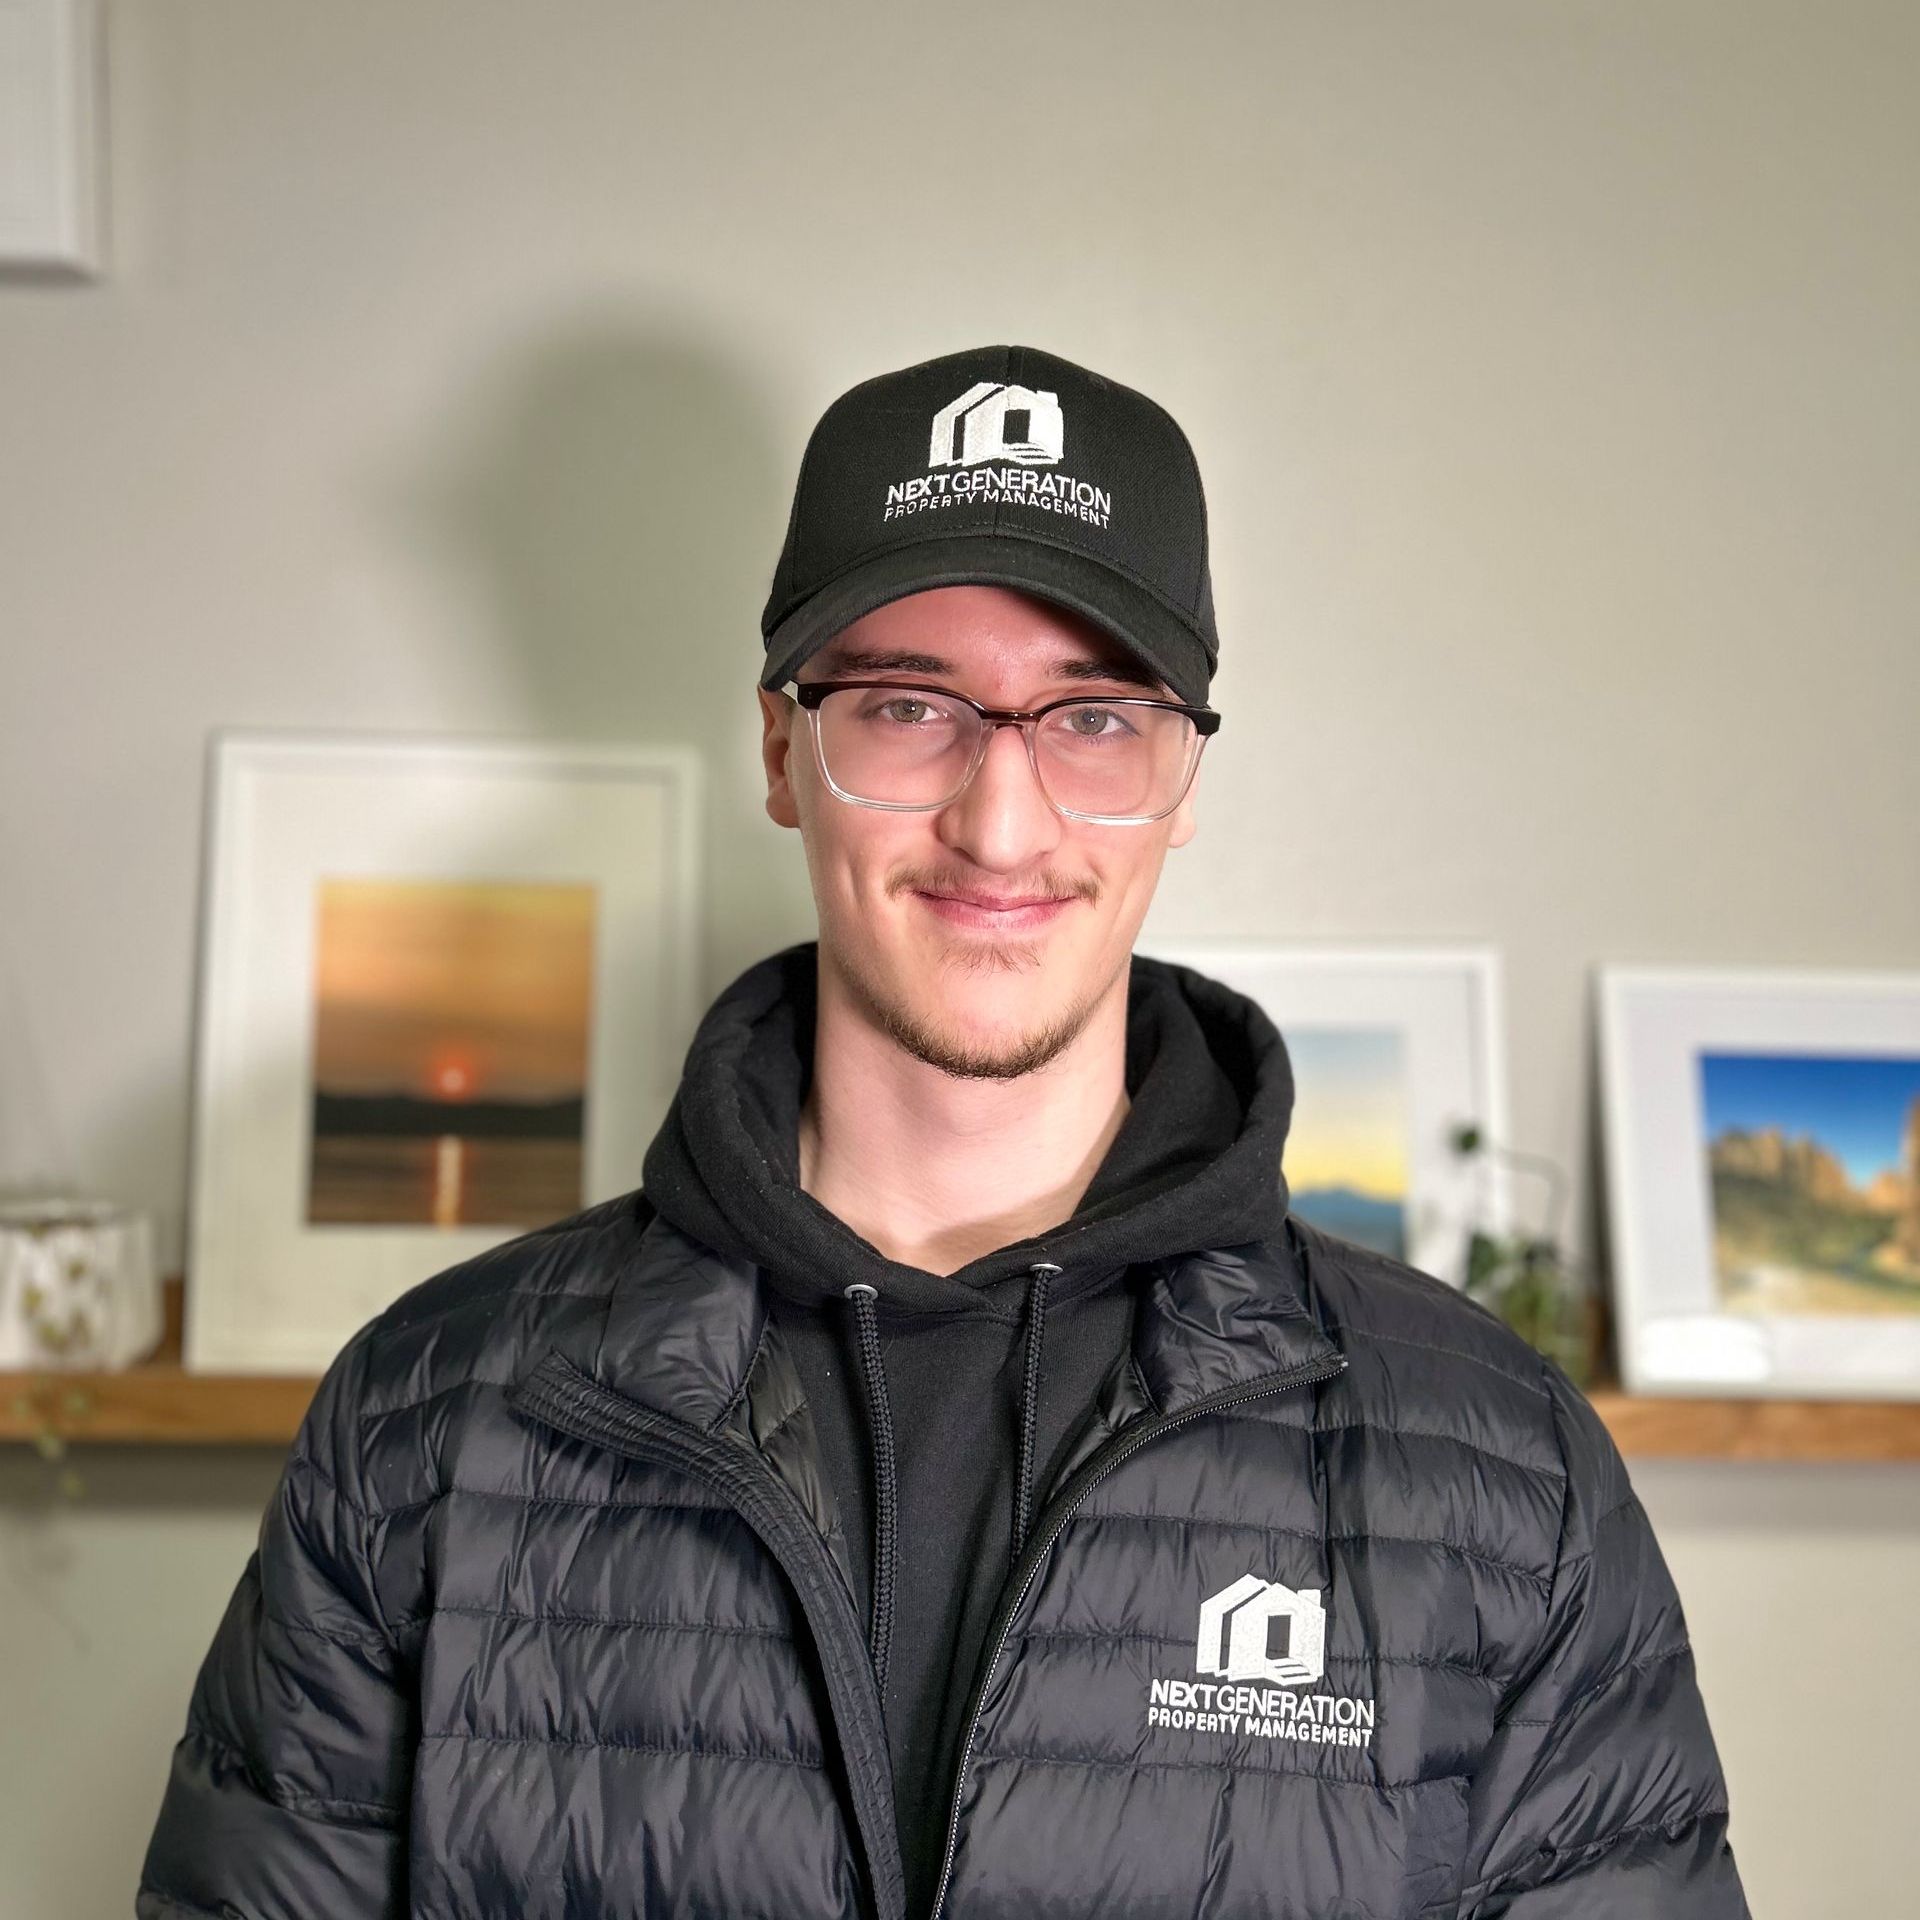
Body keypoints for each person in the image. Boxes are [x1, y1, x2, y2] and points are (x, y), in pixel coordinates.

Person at [138, 344, 1750, 1918]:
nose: (1000, 819)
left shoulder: (1497, 1469)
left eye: (1094, 717)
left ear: (1185, 776)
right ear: (785, 750)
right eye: (912, 706)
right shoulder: (427, 1420)